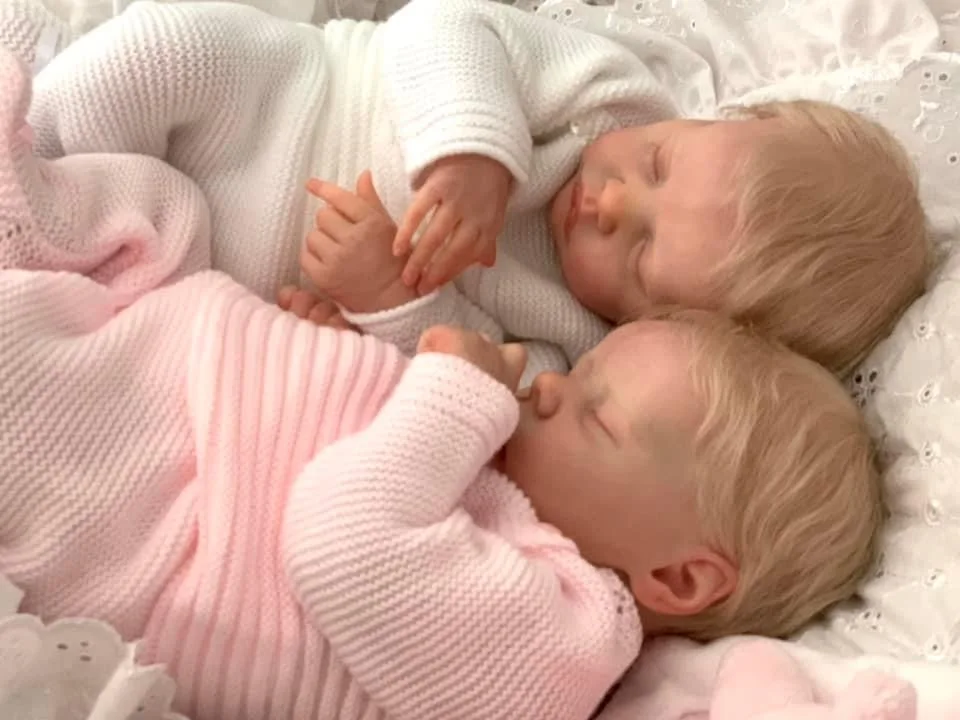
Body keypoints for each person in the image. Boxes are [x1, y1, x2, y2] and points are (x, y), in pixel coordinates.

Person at [0, 47, 882, 720]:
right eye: (586, 376)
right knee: (152, 217)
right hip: (175, 382)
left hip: (140, 505)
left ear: (680, 580)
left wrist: (453, 393)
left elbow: (344, 542)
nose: (549, 388)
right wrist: (328, 366)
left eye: (597, 417)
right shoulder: (531, 505)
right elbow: (384, 467)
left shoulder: (561, 650)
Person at [9, 0, 927, 382]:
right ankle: (30, 147)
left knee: (155, 335)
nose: (611, 203)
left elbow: (467, 371)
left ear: (675, 328)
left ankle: (46, 232)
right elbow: (444, 24)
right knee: (164, 46)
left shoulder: (586, 350)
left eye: (643, 253)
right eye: (657, 165)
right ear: (715, 122)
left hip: (241, 267)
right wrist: (475, 151)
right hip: (280, 96)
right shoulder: (612, 94)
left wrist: (388, 301)